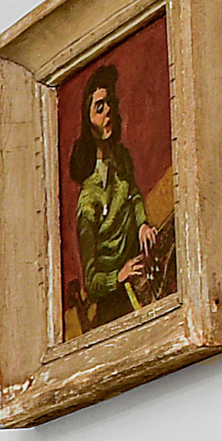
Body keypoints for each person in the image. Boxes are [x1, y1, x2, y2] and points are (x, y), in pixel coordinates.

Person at [64, 60, 163, 330]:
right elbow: (93, 283)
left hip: (140, 272)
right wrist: (119, 275)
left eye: (109, 104)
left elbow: (132, 194)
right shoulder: (89, 200)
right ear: (88, 121)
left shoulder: (122, 158)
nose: (108, 112)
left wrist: (142, 223)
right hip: (116, 300)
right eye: (99, 108)